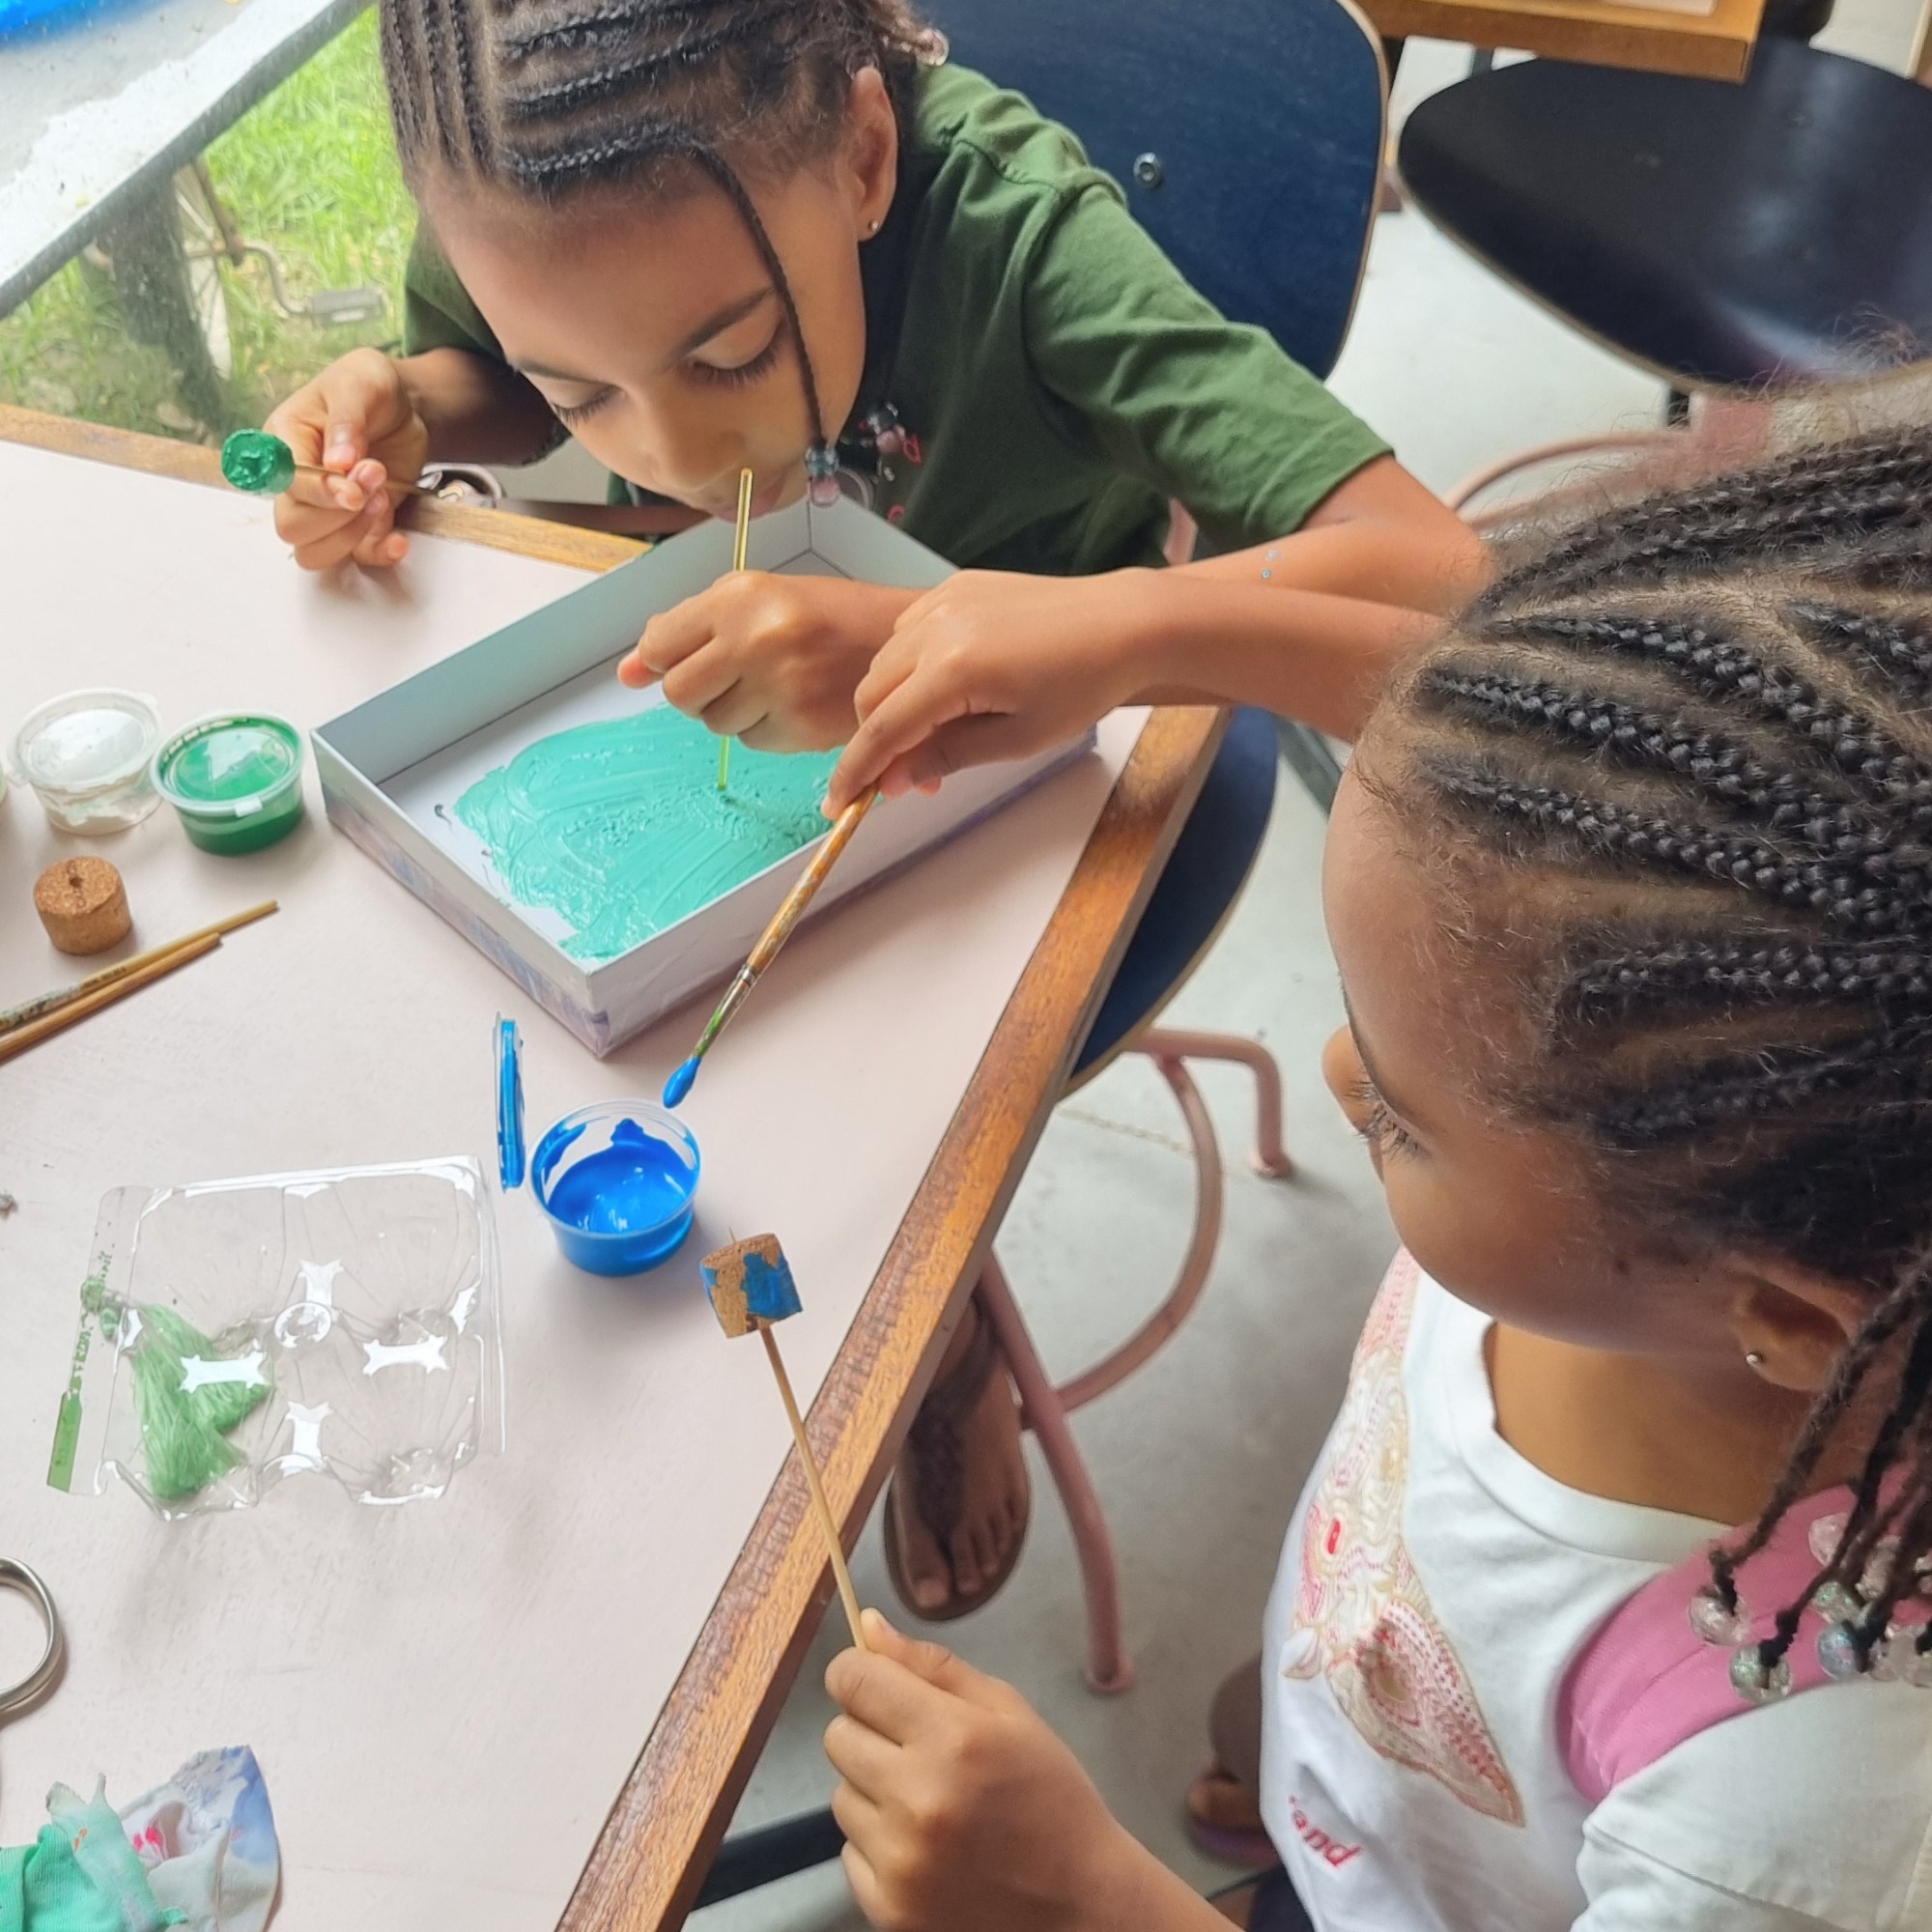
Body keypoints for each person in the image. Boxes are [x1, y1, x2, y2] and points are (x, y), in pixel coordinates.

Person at [260, 0, 1487, 1622]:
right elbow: (491, 373)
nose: (682, 457)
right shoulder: (524, 181)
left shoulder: (1019, 233)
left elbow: (1445, 594)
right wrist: (426, 401)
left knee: (881, 1180)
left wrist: (1086, 626)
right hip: (759, 750)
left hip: (1059, 778)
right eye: (590, 394)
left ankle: (946, 1321)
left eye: (729, 357)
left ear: (861, 153)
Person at [821, 428, 1932, 1930]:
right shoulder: (1699, 1189)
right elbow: (1504, 769)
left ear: (1794, 1321)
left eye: (1404, 1120)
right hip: (1400, 1702)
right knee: (1312, 1766)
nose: (1342, 1078)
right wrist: (1137, 629)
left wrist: (1087, 1899)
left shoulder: (1784, 1831)